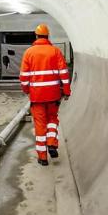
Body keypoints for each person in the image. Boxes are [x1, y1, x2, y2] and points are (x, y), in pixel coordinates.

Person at [19, 23, 71, 166]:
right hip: (53, 95)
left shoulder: (29, 52)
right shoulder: (55, 51)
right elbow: (64, 74)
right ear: (48, 36)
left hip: (37, 96)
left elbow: (24, 76)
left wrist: (26, 90)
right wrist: (66, 91)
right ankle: (52, 143)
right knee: (52, 119)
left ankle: (43, 158)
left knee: (40, 125)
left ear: (36, 36)